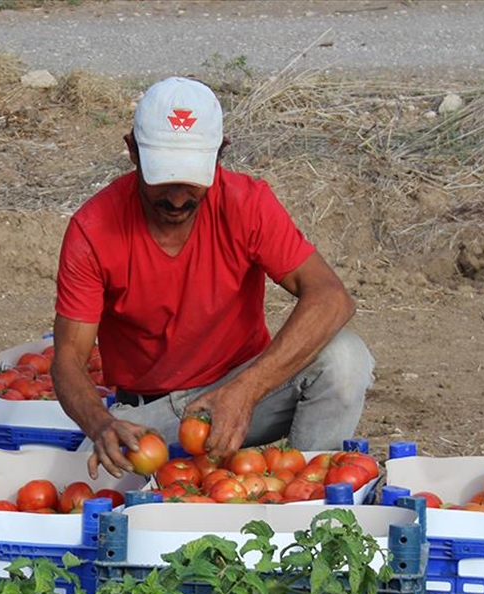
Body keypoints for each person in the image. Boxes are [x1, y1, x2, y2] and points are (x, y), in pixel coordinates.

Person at [50, 77, 374, 479]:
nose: (177, 198)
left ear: (220, 153)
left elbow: (331, 298)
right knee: (85, 477)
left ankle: (305, 491)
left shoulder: (246, 203)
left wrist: (246, 389)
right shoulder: (93, 228)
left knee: (345, 359)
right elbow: (67, 358)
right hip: (153, 416)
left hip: (244, 390)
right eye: (163, 178)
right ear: (132, 151)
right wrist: (100, 424)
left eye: (191, 179)